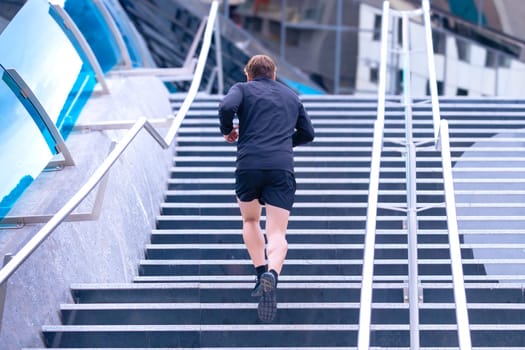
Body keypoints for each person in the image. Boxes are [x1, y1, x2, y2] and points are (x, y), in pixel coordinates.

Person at [218, 54, 315, 322]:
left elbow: (227, 107)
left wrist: (228, 130)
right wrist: (283, 143)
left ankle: (260, 272)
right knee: (277, 232)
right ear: (274, 74)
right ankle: (273, 273)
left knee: (250, 219)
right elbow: (308, 133)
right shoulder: (290, 96)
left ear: (248, 75)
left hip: (249, 164)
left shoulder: (242, 89)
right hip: (281, 168)